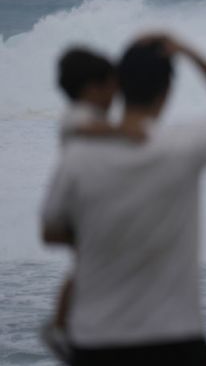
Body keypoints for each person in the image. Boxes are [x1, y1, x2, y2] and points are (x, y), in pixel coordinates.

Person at [41, 35, 206, 366]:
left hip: (96, 342)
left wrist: (103, 234)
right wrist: (185, 49)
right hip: (176, 340)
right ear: (167, 92)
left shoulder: (78, 155)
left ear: (119, 86)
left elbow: (50, 233)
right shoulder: (181, 148)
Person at [42, 47, 145, 364]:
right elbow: (83, 130)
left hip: (87, 195)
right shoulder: (80, 117)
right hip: (81, 199)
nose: (116, 90)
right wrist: (125, 132)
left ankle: (62, 326)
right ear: (91, 88)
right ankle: (61, 326)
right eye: (111, 83)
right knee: (88, 265)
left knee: (84, 267)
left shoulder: (87, 115)